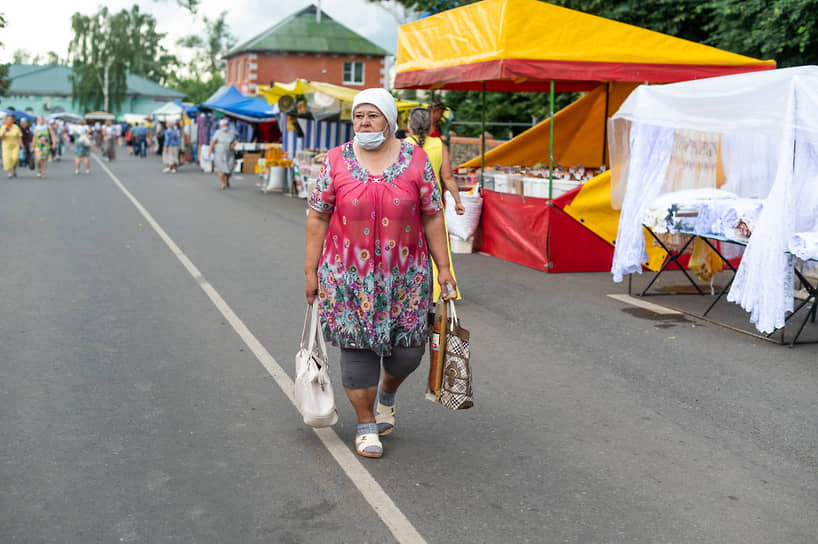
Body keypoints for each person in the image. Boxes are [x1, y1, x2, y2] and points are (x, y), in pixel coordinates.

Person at [304, 88, 456, 459]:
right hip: (347, 278)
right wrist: (311, 271)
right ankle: (366, 423)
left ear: (389, 120)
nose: (364, 123)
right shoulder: (336, 160)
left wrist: (445, 269)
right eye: (359, 116)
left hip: (406, 279)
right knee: (358, 354)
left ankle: (387, 393)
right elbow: (318, 214)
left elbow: (433, 214)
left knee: (408, 354)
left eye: (372, 116)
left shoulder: (416, 159)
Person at [405, 107, 465, 300]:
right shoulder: (440, 145)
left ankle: (413, 289)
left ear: (410, 125)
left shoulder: (403, 146)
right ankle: (443, 288)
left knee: (410, 247)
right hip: (433, 205)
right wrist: (458, 201)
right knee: (438, 245)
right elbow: (447, 176)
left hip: (407, 206)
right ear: (430, 126)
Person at [208, 119, 237, 190]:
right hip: (219, 153)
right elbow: (213, 142)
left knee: (230, 169)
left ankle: (227, 180)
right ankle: (222, 183)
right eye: (223, 125)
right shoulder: (217, 132)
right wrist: (209, 151)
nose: (225, 126)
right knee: (220, 169)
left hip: (229, 153)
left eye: (226, 125)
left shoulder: (231, 133)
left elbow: (235, 141)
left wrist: (233, 144)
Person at [0, 114, 23, 178]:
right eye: (8, 120)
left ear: (13, 120)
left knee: (15, 158)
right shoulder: (3, 127)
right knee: (7, 159)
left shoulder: (16, 127)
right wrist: (5, 131)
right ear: (6, 120)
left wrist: (22, 144)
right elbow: (1, 137)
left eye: (11, 120)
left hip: (15, 145)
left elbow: (19, 136)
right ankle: (10, 173)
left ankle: (14, 169)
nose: (9, 121)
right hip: (6, 146)